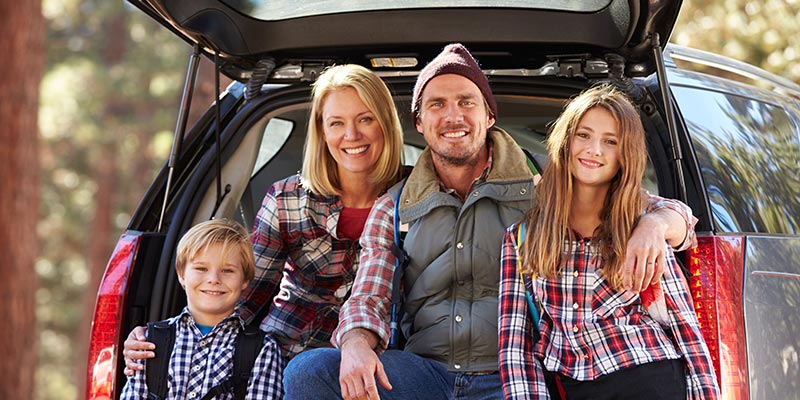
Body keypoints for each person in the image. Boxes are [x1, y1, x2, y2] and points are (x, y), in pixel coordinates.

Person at [283, 43, 697, 400]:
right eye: (437, 105)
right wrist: (356, 343)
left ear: (489, 116)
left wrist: (655, 224)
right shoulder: (393, 207)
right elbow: (369, 294)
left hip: (512, 376)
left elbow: (654, 209)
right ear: (420, 123)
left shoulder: (544, 191)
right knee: (308, 373)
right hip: (424, 375)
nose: (453, 116)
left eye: (467, 102)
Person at [121, 64, 405, 372]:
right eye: (337, 123)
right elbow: (244, 292)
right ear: (322, 132)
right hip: (284, 355)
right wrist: (164, 337)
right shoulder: (286, 199)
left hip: (380, 361)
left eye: (366, 119)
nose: (351, 135)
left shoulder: (418, 198)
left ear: (386, 124)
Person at [498, 84, 720, 399]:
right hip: (571, 385)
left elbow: (685, 330)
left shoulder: (643, 226)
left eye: (610, 141)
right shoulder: (521, 238)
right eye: (583, 135)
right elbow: (516, 348)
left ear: (623, 155)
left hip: (647, 376)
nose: (594, 150)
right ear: (566, 141)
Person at [119, 219, 283, 399]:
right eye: (201, 268)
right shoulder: (149, 341)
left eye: (227, 270)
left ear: (245, 280)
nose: (214, 279)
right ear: (181, 275)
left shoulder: (262, 350)